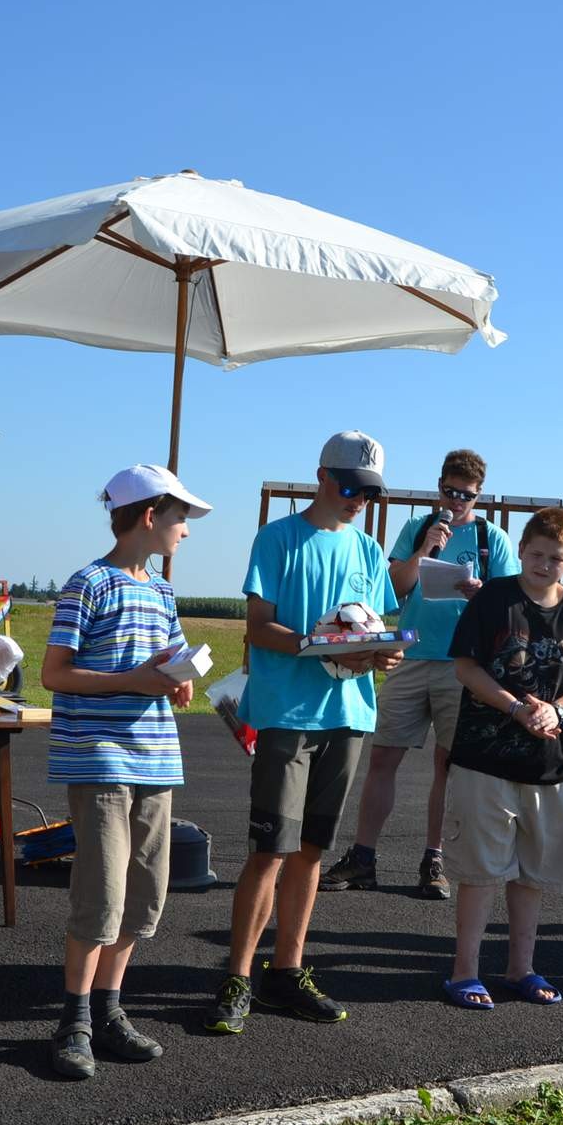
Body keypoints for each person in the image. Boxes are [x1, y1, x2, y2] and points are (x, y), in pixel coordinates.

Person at [205, 431, 401, 1035]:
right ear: (322, 476)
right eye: (350, 487)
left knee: (312, 850)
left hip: (350, 714)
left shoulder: (368, 550)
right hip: (288, 714)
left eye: (369, 493)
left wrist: (382, 653)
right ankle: (237, 978)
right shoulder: (278, 538)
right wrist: (322, 647)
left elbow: (375, 626)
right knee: (270, 850)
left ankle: (285, 973)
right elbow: (258, 627)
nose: (358, 500)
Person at [40, 465, 210, 1080]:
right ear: (149, 516)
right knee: (102, 893)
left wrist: (178, 678)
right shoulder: (88, 584)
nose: (186, 530)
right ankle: (74, 1021)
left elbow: (167, 658)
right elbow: (54, 673)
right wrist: (133, 681)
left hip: (157, 759)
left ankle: (109, 1010)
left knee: (143, 894)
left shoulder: (162, 591)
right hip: (101, 758)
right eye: (180, 518)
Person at [323, 449, 519, 901]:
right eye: (450, 492)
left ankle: (434, 859)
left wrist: (480, 594)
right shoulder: (417, 527)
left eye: (466, 495)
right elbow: (394, 587)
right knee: (383, 757)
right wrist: (424, 549)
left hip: (463, 664)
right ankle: (363, 856)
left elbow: (510, 606)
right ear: (439, 487)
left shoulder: (492, 538)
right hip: (410, 655)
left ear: (479, 495)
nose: (457, 502)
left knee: (447, 765)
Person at [438, 508, 563, 1009]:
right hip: (485, 759)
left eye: (555, 558)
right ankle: (464, 972)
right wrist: (514, 707)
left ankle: (520, 969)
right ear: (521, 551)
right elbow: (466, 667)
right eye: (536, 554)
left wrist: (556, 710)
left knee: (534, 874)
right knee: (481, 872)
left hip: (549, 765)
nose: (543, 564)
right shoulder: (495, 598)